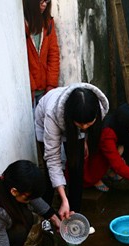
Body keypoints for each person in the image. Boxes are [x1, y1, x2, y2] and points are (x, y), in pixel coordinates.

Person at [34, 83, 109, 218]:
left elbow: (86, 126)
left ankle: (74, 213)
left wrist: (84, 139)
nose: (85, 127)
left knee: (77, 167)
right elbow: (53, 158)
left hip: (72, 123)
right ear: (72, 118)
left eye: (88, 123)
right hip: (46, 119)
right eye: (81, 124)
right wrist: (63, 198)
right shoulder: (52, 114)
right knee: (49, 171)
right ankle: (47, 216)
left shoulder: (97, 107)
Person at [23, 0, 60, 106]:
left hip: (45, 90)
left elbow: (53, 54)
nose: (44, 4)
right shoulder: (20, 24)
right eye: (41, 1)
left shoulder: (48, 23)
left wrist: (51, 85)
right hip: (28, 91)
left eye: (47, 1)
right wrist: (30, 86)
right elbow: (20, 61)